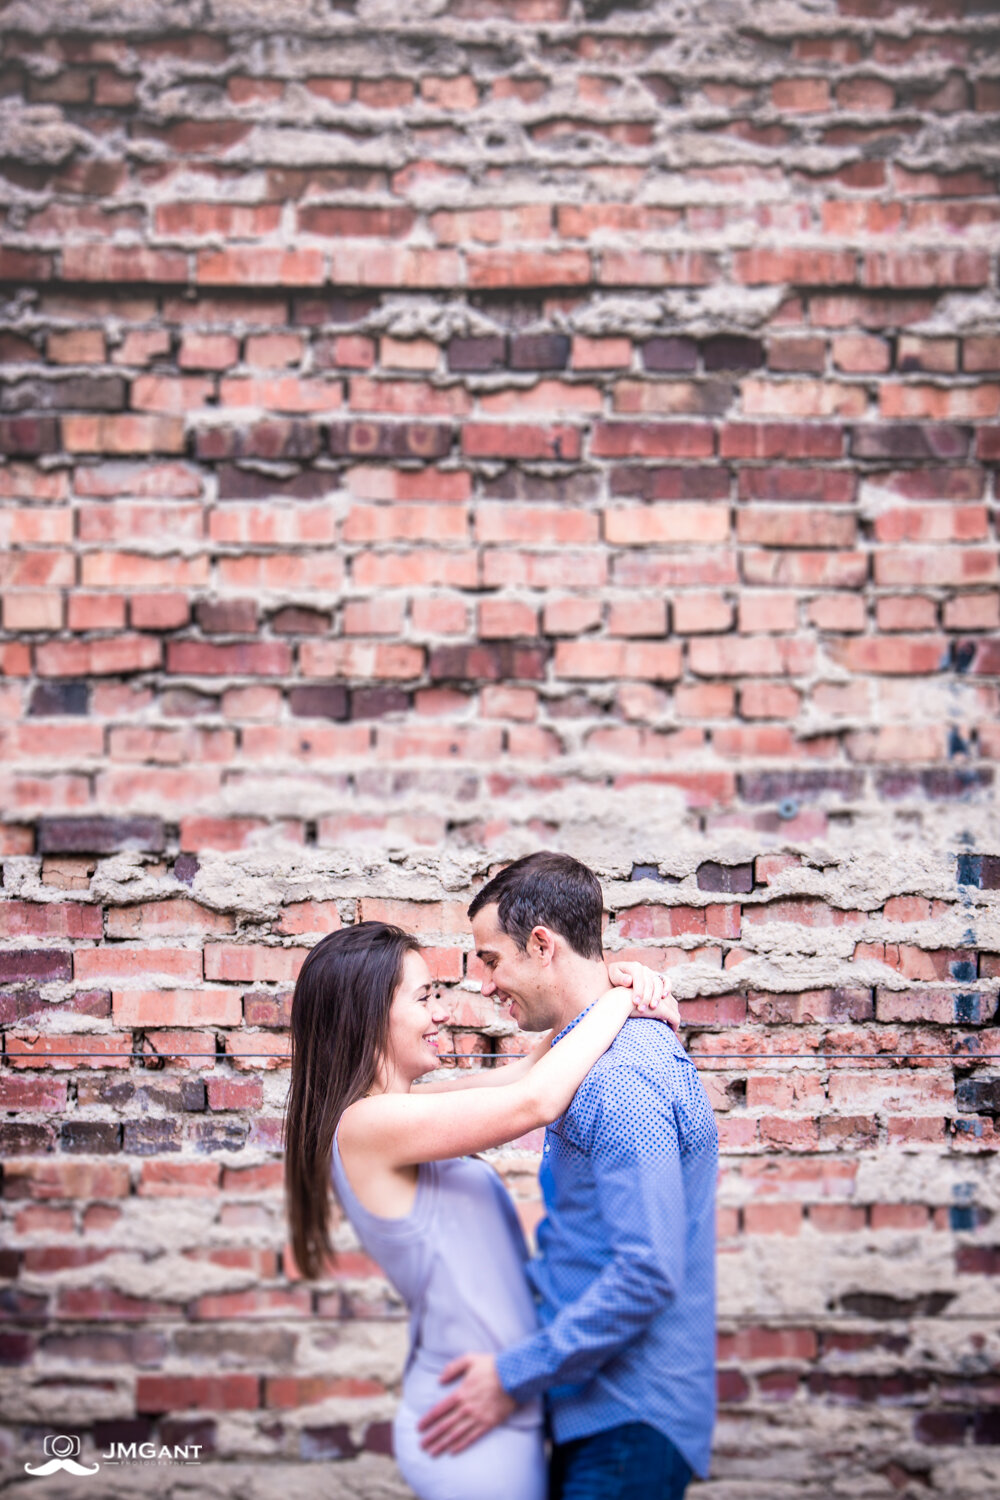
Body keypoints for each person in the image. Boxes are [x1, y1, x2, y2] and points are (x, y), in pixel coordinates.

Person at [282, 916, 678, 1500]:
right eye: (424, 998)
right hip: (469, 1427)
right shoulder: (368, 1126)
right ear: (367, 1015)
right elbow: (537, 1100)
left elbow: (532, 1069)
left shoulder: (404, 1110)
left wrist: (610, 986)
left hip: (496, 1410)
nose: (442, 1013)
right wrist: (620, 1004)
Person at [417, 851, 719, 1500]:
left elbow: (648, 1271)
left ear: (542, 945)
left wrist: (511, 1375)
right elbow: (507, 1087)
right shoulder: (584, 1051)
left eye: (492, 960)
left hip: (629, 1422)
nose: (486, 983)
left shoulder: (621, 1078)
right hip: (601, 1410)